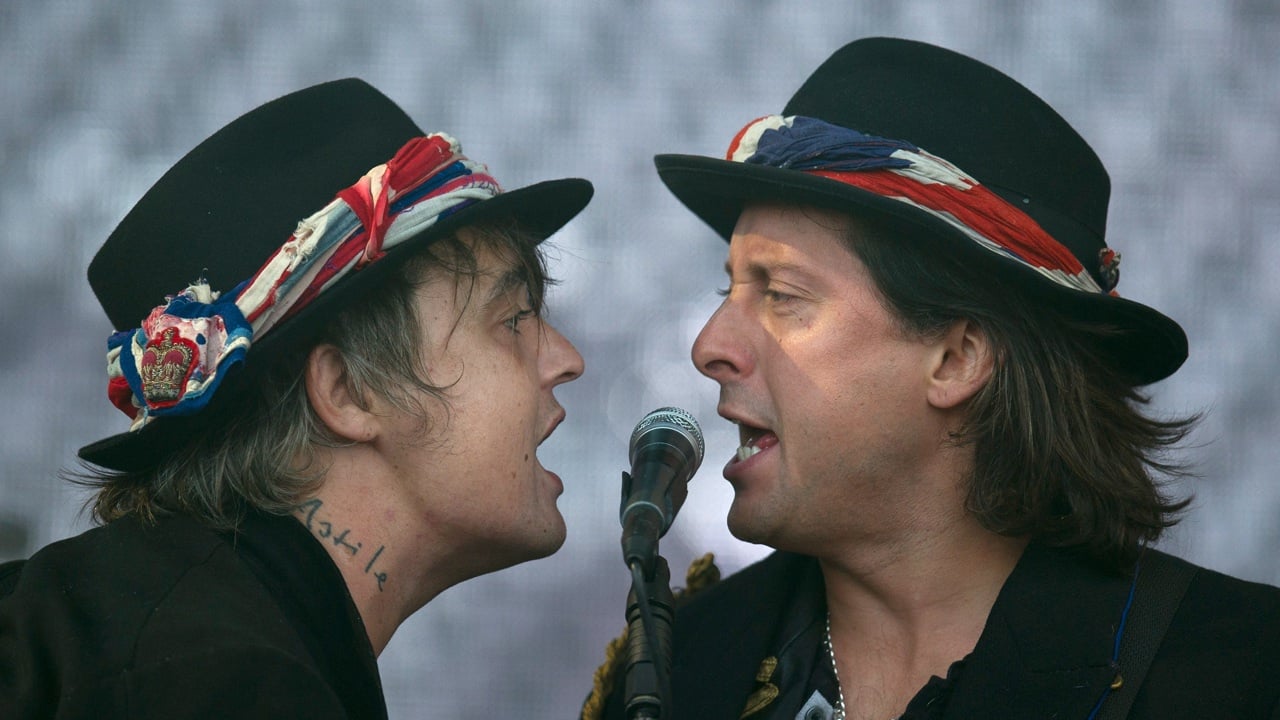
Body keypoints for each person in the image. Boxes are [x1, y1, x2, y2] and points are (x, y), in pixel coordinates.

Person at [584, 37, 1280, 720]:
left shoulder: (1237, 672)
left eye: (781, 295)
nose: (711, 346)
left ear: (959, 358)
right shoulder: (676, 670)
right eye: (727, 292)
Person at [0, 78, 591, 718]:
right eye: (512, 319)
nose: (566, 360)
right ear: (349, 391)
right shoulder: (219, 683)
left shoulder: (162, 632)